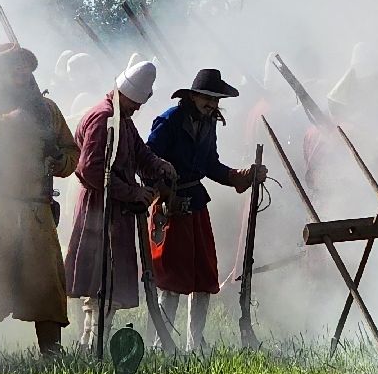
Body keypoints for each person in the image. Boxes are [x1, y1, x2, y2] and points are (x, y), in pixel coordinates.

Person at [146, 68, 264, 354]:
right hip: (170, 204)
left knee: (203, 275)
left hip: (196, 202)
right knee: (171, 278)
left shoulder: (209, 122)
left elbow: (210, 163)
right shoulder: (170, 119)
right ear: (193, 96)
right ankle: (163, 344)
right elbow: (148, 160)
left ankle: (194, 344)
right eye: (207, 99)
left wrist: (238, 176)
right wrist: (163, 196)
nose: (212, 105)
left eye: (216, 100)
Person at [65, 60, 176, 348]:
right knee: (100, 281)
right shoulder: (103, 119)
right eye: (136, 102)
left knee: (108, 283)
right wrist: (131, 193)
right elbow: (90, 170)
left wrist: (159, 165)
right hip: (100, 211)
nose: (138, 108)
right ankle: (91, 344)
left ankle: (93, 343)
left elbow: (139, 154)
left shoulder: (121, 119)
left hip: (115, 209)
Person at [0, 42, 80, 356]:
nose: (20, 71)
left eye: (23, 65)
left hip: (37, 208)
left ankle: (51, 351)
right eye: (12, 65)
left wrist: (59, 163)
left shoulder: (47, 110)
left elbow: (71, 152)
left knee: (46, 285)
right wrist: (11, 121)